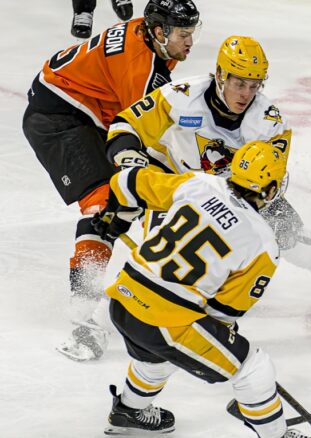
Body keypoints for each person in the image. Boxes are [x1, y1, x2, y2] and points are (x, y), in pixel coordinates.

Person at [90, 35, 311, 356]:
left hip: (233, 195)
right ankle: (93, 323)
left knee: (293, 241)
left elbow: (270, 176)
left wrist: (277, 208)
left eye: (255, 85)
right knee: (155, 256)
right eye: (239, 83)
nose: (247, 94)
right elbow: (126, 125)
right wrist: (130, 161)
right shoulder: (181, 98)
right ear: (221, 74)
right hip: (176, 187)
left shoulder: (269, 122)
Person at [94, 140, 311, 438]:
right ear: (271, 190)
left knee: (156, 356)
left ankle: (129, 411)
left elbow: (126, 179)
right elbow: (223, 314)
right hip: (164, 320)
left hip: (122, 298)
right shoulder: (263, 244)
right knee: (253, 367)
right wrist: (242, 378)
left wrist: (115, 218)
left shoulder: (199, 183)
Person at [23, 0, 199, 362]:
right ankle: (81, 315)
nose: (190, 43)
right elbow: (148, 134)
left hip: (87, 109)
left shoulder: (147, 34)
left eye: (192, 33)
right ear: (160, 31)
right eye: (184, 34)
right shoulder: (142, 69)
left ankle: (174, 277)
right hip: (59, 119)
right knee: (108, 202)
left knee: (142, 189)